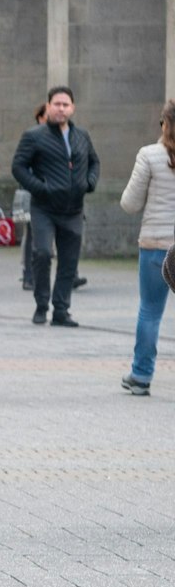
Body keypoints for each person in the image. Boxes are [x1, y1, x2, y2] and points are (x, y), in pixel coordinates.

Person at [14, 85, 100, 327]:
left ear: (72, 108)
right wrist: (40, 187)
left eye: (66, 104)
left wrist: (90, 183)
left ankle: (61, 310)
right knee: (42, 253)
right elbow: (18, 167)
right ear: (48, 106)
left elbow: (94, 162)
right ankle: (42, 304)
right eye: (57, 104)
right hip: (44, 207)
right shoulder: (34, 136)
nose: (61, 108)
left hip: (73, 209)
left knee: (69, 260)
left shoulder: (81, 136)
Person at [119, 101, 175, 396]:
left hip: (157, 245)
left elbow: (129, 203)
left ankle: (141, 375)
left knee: (150, 311)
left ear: (164, 124)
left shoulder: (150, 155)